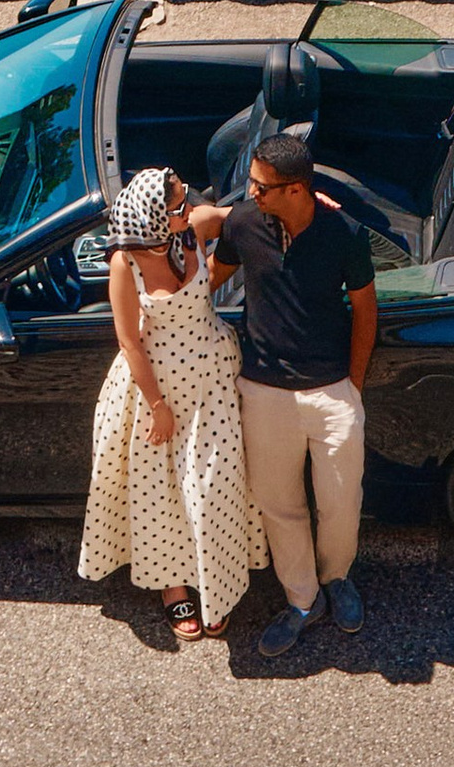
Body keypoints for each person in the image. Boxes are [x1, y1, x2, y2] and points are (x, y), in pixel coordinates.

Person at [206, 131, 378, 659]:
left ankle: (338, 580)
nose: (250, 194)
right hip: (263, 393)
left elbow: (366, 311)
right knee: (280, 505)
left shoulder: (345, 233)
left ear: (298, 190)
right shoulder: (242, 222)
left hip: (331, 393)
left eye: (261, 187)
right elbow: (207, 282)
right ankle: (302, 600)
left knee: (341, 502)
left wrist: (351, 384)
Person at [77, 166, 259, 645]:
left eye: (185, 202)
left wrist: (315, 200)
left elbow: (240, 213)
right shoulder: (125, 264)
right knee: (162, 494)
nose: (188, 209)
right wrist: (157, 405)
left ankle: (217, 587)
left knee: (215, 484)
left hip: (213, 379)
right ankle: (173, 587)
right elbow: (129, 342)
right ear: (154, 217)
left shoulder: (191, 230)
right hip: (156, 391)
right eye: (178, 205)